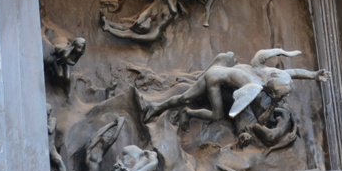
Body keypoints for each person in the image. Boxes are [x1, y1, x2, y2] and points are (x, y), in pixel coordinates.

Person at [140, 48, 328, 123]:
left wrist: (314, 75)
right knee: (215, 114)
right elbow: (260, 119)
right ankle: (180, 111)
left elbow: (292, 72)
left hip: (221, 66)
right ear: (272, 89)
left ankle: (163, 108)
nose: (282, 97)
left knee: (185, 96)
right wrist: (272, 104)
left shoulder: (262, 70)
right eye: (280, 94)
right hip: (214, 79)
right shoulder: (255, 87)